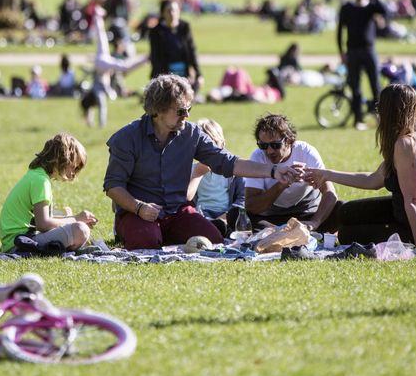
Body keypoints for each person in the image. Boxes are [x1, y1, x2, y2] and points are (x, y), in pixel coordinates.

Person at [103, 74, 302, 250]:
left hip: (177, 212)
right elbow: (113, 186)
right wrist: (139, 207)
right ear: (158, 110)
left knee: (212, 240)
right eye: (181, 110)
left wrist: (273, 171)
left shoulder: (191, 134)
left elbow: (228, 162)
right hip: (137, 212)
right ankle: (137, 232)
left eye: (188, 109)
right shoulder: (127, 138)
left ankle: (160, 235)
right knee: (145, 241)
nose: (187, 115)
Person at [306, 85, 416, 247]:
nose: (377, 112)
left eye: (379, 106)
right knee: (345, 212)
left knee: (347, 234)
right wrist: (327, 174)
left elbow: (413, 200)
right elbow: (373, 180)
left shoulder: (406, 145)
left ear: (389, 111)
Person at [0, 133, 97, 252]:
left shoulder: (37, 175)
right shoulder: (41, 181)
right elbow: (43, 224)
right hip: (21, 243)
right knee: (81, 230)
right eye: (73, 167)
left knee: (75, 223)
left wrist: (71, 218)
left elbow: (42, 219)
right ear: (63, 159)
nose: (73, 174)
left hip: (18, 240)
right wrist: (75, 219)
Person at [245, 114, 342, 233]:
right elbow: (251, 206)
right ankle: (285, 232)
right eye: (263, 145)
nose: (269, 151)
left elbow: (330, 193)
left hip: (306, 212)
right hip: (271, 216)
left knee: (342, 208)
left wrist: (315, 222)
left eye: (275, 145)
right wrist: (281, 185)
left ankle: (282, 232)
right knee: (236, 215)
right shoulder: (257, 156)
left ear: (289, 140)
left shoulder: (305, 151)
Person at [82, 6, 148, 128]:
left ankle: (97, 15)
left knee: (102, 39)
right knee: (103, 40)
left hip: (101, 63)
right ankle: (98, 16)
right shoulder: (97, 91)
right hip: (101, 65)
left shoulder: (95, 90)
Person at [337, 0, 387, 130]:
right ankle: (358, 119)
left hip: (369, 50)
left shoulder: (371, 7)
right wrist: (341, 52)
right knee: (355, 87)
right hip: (352, 51)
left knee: (375, 86)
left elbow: (384, 11)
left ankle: (380, 117)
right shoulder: (347, 7)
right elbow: (340, 31)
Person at [186, 119, 245, 237]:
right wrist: (197, 175)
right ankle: (212, 228)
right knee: (190, 219)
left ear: (222, 144)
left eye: (213, 144)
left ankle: (220, 228)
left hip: (227, 213)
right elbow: (185, 198)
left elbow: (242, 198)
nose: (208, 152)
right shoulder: (192, 170)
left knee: (239, 215)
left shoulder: (232, 169)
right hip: (202, 214)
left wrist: (226, 216)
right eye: (201, 147)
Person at [148, 0, 203, 94]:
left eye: (175, 10)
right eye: (169, 11)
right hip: (164, 75)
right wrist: (163, 80)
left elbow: (192, 51)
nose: (172, 13)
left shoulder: (184, 27)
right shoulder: (156, 32)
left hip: (184, 74)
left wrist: (199, 75)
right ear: (163, 13)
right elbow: (155, 58)